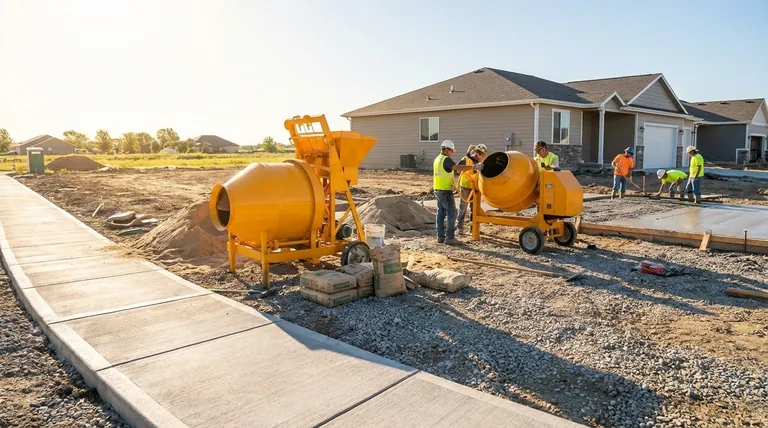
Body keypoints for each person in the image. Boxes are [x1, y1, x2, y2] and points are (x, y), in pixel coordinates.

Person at [433, 140, 483, 245]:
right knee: (452, 213)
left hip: (437, 189)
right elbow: (457, 168)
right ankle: (450, 237)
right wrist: (474, 167)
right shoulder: (446, 160)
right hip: (445, 191)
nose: (452, 153)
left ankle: (440, 237)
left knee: (440, 213)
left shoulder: (438, 159)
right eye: (451, 151)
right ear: (446, 150)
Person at [456, 144, 488, 234]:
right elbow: (457, 169)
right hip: (465, 187)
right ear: (476, 153)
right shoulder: (466, 159)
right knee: (463, 208)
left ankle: (473, 228)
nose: (480, 156)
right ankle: (459, 228)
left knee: (474, 210)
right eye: (480, 154)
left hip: (475, 188)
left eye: (482, 155)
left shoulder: (479, 164)